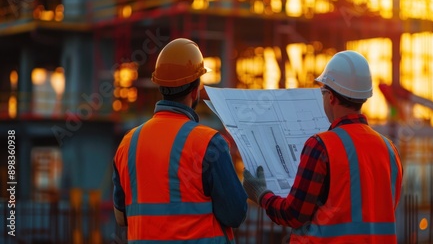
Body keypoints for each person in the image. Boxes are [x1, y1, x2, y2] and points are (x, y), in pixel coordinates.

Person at [243, 50, 403, 243]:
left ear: (331, 97)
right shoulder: (389, 150)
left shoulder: (321, 146)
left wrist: (261, 194)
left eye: (323, 92)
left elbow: (293, 214)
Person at [113, 38, 248, 243]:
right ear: (195, 91)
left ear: (160, 86)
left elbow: (121, 216)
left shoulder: (128, 143)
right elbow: (235, 214)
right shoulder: (209, 143)